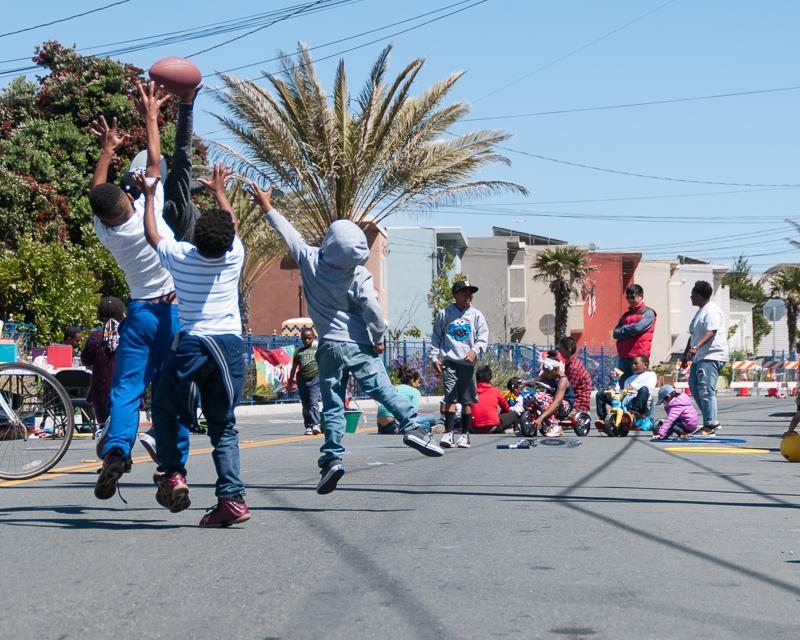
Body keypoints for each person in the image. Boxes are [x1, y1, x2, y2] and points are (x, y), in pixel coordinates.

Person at [250, 183, 443, 497]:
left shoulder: (310, 260)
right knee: (382, 389)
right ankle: (413, 428)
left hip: (327, 346)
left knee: (333, 404)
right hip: (357, 345)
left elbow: (289, 234)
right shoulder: (358, 275)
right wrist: (378, 338)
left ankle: (332, 459)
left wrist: (267, 206)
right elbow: (373, 311)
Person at [88, 82, 199, 499]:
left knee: (126, 389)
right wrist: (151, 115)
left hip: (138, 314)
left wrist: (106, 150)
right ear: (131, 202)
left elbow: (96, 193)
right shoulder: (147, 212)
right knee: (174, 391)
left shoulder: (107, 231)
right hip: (174, 312)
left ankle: (116, 450)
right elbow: (155, 162)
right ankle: (175, 471)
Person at [138, 156, 249, 527]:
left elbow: (153, 233)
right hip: (230, 348)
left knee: (166, 408)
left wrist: (150, 194)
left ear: (196, 239)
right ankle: (231, 499)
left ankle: (172, 472)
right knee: (224, 425)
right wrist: (221, 192)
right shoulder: (235, 255)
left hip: (193, 345)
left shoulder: (181, 257)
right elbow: (229, 226)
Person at [430, 280, 489, 449]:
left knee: (467, 400)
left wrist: (475, 351)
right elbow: (436, 337)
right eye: (464, 293)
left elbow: (483, 336)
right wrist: (434, 358)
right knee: (450, 398)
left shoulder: (476, 315)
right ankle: (449, 433)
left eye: (470, 293)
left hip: (468, 363)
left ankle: (464, 435)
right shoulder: (445, 313)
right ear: (455, 295)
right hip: (450, 361)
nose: (468, 296)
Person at [682, 280, 728, 436]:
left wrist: (696, 347)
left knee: (705, 389)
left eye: (693, 294)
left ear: (701, 295)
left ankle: (710, 425)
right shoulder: (701, 311)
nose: (690, 296)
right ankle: (710, 420)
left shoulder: (711, 311)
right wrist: (685, 353)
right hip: (700, 356)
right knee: (694, 386)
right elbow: (694, 335)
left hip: (712, 355)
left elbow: (711, 332)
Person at [80, 297, 126, 426]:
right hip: (125, 389)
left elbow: (85, 360)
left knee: (104, 427)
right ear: (122, 314)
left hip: (101, 391)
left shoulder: (95, 338)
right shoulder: (127, 335)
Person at [612, 284, 656, 385]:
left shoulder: (648, 313)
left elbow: (638, 328)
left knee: (637, 386)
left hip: (638, 357)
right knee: (623, 387)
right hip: (623, 356)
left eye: (632, 297)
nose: (630, 300)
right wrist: (629, 331)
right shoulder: (626, 315)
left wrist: (624, 330)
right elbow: (615, 333)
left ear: (640, 296)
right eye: (628, 297)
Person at [595, 354, 656, 427]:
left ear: (645, 365)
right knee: (601, 394)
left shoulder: (650, 375)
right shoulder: (629, 379)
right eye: (632, 364)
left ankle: (634, 414)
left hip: (639, 402)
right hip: (626, 401)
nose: (633, 366)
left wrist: (633, 387)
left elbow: (649, 389)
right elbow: (621, 392)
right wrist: (614, 385)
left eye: (636, 364)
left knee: (644, 389)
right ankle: (603, 418)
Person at [376, 366, 438, 434]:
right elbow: (413, 413)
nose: (419, 385)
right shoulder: (415, 392)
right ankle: (424, 427)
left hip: (381, 426)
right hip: (394, 425)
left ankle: (422, 427)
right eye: (418, 381)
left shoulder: (393, 387)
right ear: (412, 380)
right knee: (431, 417)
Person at [525, 357, 575, 437]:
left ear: (555, 369)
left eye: (547, 371)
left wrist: (541, 418)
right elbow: (534, 382)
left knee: (540, 397)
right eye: (544, 370)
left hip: (563, 405)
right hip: (550, 401)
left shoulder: (562, 380)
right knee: (529, 396)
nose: (545, 372)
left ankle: (556, 426)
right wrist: (522, 383)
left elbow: (557, 402)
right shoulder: (546, 376)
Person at [288, 328, 321, 436]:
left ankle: (316, 424)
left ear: (313, 338)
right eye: (304, 339)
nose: (306, 341)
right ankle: (308, 426)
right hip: (302, 380)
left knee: (313, 403)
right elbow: (293, 368)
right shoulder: (298, 352)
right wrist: (290, 382)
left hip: (315, 379)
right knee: (305, 405)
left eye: (309, 338)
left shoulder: (318, 350)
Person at [470, 365, 522, 435]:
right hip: (492, 427)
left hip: (473, 428)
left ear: (476, 379)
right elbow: (506, 408)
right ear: (490, 379)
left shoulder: (471, 392)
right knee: (514, 414)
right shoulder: (495, 391)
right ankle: (515, 430)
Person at [557, 337, 592, 413]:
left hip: (577, 405)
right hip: (571, 400)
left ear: (568, 350)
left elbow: (567, 389)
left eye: (561, 348)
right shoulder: (569, 363)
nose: (559, 350)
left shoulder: (574, 367)